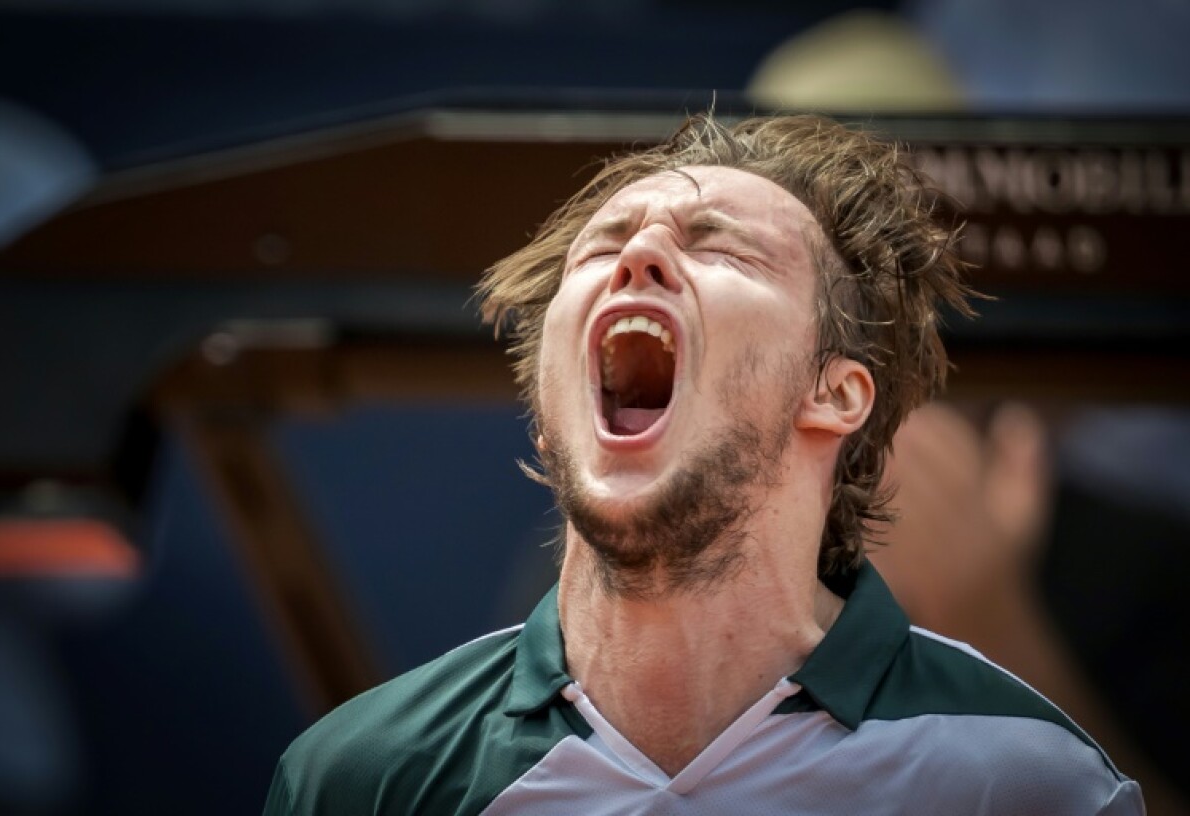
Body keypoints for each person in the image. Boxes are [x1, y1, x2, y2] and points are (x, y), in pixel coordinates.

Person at [262, 113, 1144, 815]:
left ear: (836, 394)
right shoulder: (359, 779)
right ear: (545, 393)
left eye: (720, 247)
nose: (640, 256)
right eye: (603, 248)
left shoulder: (1028, 783)